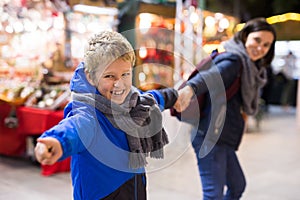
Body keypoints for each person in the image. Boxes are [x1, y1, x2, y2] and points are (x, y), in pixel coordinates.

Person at [34, 30, 178, 200]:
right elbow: (75, 127)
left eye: (125, 74)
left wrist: (175, 97)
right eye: (109, 76)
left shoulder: (133, 101)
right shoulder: (89, 113)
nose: (120, 84)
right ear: (91, 76)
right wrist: (57, 142)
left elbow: (153, 99)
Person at [174, 18, 276, 199]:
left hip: (224, 137)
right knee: (213, 194)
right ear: (245, 37)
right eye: (257, 40)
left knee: (237, 185)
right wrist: (190, 89)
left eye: (266, 45)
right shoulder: (234, 61)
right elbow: (212, 76)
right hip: (210, 136)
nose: (260, 48)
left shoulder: (251, 67)